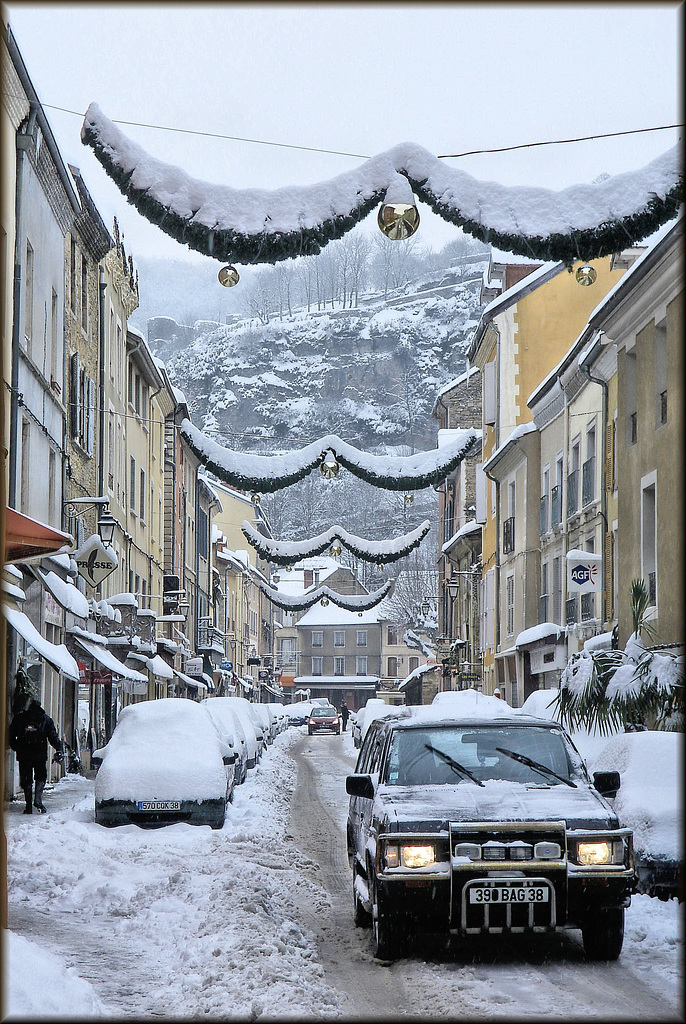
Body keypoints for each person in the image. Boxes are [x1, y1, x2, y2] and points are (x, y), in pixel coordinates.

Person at [9, 699, 63, 814]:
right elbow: (53, 737)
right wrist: (59, 749)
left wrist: (16, 747)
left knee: (26, 778)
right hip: (40, 754)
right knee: (40, 776)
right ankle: (38, 799)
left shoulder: (20, 718)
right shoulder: (45, 719)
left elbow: (11, 735)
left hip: (24, 754)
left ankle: (28, 805)